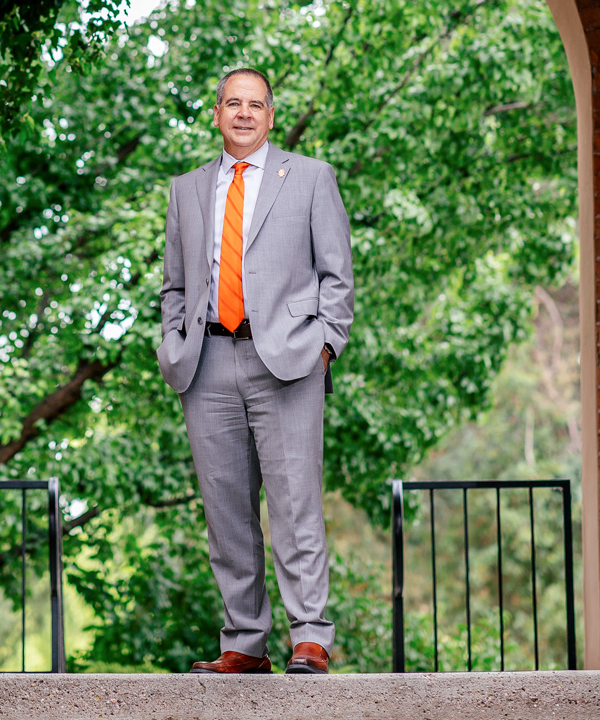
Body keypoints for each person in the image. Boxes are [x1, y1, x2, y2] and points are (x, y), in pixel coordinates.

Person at [157, 67, 354, 675]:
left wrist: (325, 344)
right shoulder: (186, 190)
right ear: (216, 114)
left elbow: (337, 276)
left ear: (270, 116)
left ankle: (310, 637)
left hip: (290, 361)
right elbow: (174, 285)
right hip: (206, 361)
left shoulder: (312, 178)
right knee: (225, 510)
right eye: (232, 103)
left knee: (296, 505)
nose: (244, 113)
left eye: (257, 105)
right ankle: (244, 643)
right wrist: (173, 343)